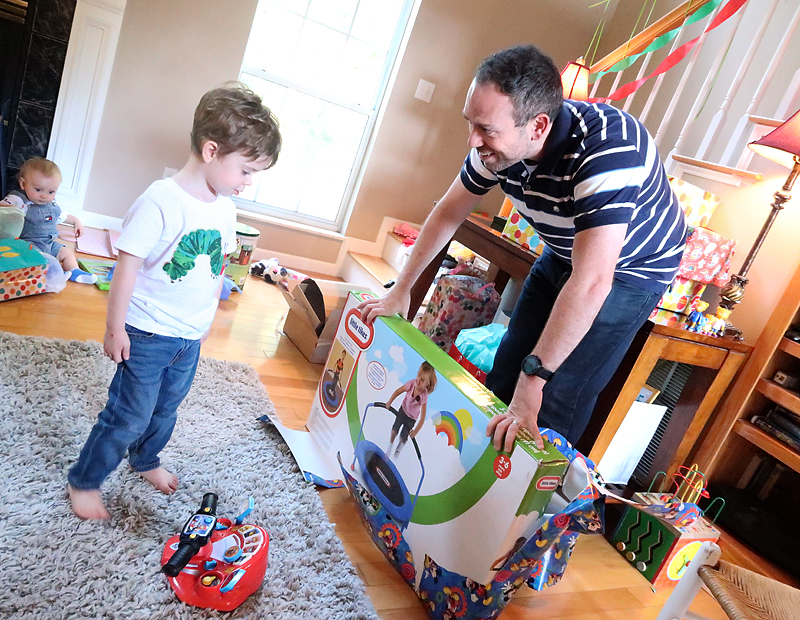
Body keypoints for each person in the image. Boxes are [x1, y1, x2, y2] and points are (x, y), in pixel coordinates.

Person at [359, 45, 687, 453]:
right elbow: (448, 213)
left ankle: (524, 510)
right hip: (564, 252)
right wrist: (400, 289)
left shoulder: (608, 151)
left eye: (486, 130)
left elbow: (592, 281)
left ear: (537, 126)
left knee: (552, 395)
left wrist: (534, 381)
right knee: (507, 371)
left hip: (628, 273)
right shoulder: (497, 148)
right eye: (471, 124)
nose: (473, 140)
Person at [67, 84, 282, 520]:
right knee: (129, 414)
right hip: (147, 332)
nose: (248, 182)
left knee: (166, 408)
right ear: (210, 151)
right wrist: (115, 328)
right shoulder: (160, 201)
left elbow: (216, 262)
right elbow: (125, 267)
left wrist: (209, 310)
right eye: (245, 171)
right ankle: (85, 479)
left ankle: (145, 459)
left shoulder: (223, 206)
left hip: (188, 336)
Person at [1, 157, 97, 283]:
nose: (44, 195)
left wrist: (75, 221)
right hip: (28, 245)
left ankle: (74, 271)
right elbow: (4, 210)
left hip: (49, 244)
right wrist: (11, 209)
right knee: (39, 259)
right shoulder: (19, 200)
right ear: (23, 184)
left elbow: (61, 216)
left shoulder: (51, 205)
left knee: (67, 252)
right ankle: (53, 274)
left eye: (51, 192)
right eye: (38, 189)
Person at [385, 361, 437, 458]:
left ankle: (400, 447)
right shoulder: (411, 384)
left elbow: (422, 417)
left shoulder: (424, 396)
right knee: (393, 432)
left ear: (427, 383)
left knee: (402, 437)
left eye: (422, 380)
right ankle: (389, 447)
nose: (418, 380)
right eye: (418, 375)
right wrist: (389, 402)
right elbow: (397, 392)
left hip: (411, 419)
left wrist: (416, 431)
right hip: (403, 411)